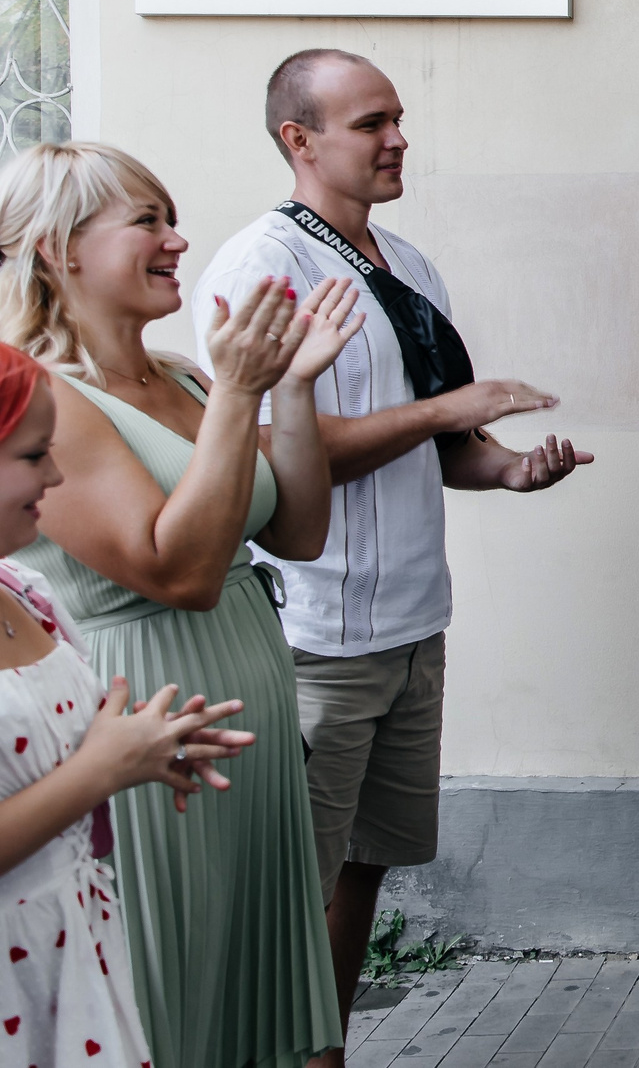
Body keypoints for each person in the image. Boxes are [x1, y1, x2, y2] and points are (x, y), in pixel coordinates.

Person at [193, 49, 590, 1067]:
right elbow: (273, 450)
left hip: (415, 622)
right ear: (300, 139)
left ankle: (325, 1053)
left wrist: (504, 468)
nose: (397, 136)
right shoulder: (259, 268)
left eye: (397, 117)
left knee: (365, 867)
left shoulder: (408, 264)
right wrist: (449, 409)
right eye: (370, 122)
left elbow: (437, 445)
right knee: (297, 880)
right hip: (319, 632)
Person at [0, 141, 364, 1068]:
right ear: (58, 250)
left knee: (262, 994)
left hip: (253, 707)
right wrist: (246, 389)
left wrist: (289, 384)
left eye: (170, 217)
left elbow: (297, 533)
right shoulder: (55, 398)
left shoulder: (189, 379)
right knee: (177, 991)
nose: (177, 239)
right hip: (152, 711)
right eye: (147, 221)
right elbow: (183, 571)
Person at [0, 338, 261, 1068]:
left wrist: (147, 747)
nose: (55, 473)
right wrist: (100, 771)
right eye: (30, 455)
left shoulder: (28, 591)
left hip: (73, 955)